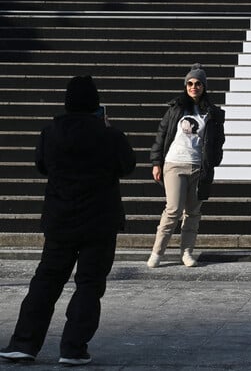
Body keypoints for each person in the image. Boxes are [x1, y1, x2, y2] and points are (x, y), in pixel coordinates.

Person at [0, 76, 136, 366]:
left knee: (46, 281)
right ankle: (73, 347)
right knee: (89, 284)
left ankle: (24, 342)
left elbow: (42, 166)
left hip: (60, 219)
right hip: (99, 221)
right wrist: (108, 129)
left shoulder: (50, 133)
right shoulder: (109, 135)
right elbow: (128, 166)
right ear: (96, 104)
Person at [147, 64, 225, 268]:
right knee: (173, 209)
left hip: (198, 167)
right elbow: (161, 135)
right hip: (174, 163)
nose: (193, 87)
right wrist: (156, 162)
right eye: (190, 83)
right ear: (185, 85)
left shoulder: (212, 113)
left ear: (204, 86)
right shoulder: (176, 108)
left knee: (192, 213)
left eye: (198, 83)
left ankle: (187, 253)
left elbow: (218, 141)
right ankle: (157, 252)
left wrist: (213, 161)